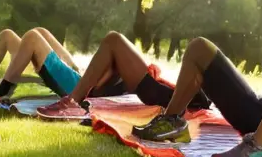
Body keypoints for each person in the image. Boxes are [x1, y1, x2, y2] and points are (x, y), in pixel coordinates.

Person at [129, 37, 262, 143]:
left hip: (261, 120)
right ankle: (172, 121)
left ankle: (171, 121)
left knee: (199, 48)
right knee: (199, 62)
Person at [37, 31, 212, 118]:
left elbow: (198, 92)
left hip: (158, 92)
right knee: (113, 43)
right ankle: (77, 98)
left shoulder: (201, 93)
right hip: (159, 91)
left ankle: (74, 102)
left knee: (113, 39)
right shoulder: (204, 84)